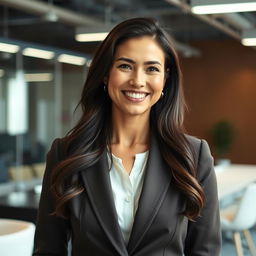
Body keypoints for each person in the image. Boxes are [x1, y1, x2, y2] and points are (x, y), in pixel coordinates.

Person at [33, 17, 221, 256]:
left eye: (151, 69)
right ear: (105, 74)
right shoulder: (65, 154)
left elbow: (205, 251)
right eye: (125, 66)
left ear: (165, 79)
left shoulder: (194, 156)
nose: (137, 81)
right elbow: (48, 250)